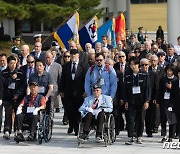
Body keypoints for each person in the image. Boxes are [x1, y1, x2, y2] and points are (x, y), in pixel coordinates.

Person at [59, 49, 89, 136]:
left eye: (74, 54)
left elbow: (86, 79)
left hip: (79, 93)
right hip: (68, 92)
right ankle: (71, 125)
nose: (73, 56)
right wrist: (61, 90)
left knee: (77, 111)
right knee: (69, 111)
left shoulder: (84, 65)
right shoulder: (66, 66)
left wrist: (85, 91)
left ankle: (76, 128)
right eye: (71, 55)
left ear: (78, 55)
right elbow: (62, 79)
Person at [124, 57, 151, 145]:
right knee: (130, 119)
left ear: (138, 65)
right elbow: (125, 90)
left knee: (140, 119)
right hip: (131, 100)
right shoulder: (128, 75)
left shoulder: (144, 75)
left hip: (141, 100)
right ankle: (131, 136)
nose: (133, 66)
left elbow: (147, 88)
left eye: (135, 64)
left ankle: (139, 136)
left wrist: (147, 101)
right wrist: (126, 101)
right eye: (131, 65)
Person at [2, 55, 26, 139]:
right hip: (7, 96)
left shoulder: (20, 73)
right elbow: (3, 84)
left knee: (17, 113)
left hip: (17, 97)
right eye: (11, 63)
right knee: (8, 114)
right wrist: (10, 78)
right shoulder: (4, 73)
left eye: (14, 63)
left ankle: (17, 130)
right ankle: (7, 130)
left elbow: (23, 85)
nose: (13, 65)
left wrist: (18, 94)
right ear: (8, 64)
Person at [157, 64, 177, 142]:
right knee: (163, 119)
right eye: (168, 70)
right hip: (163, 101)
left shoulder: (176, 80)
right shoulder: (163, 79)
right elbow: (160, 91)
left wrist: (171, 88)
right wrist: (158, 101)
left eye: (171, 71)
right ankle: (164, 135)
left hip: (173, 102)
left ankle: (171, 136)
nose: (169, 72)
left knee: (172, 120)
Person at [45, 51, 62, 116]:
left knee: (51, 107)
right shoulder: (42, 66)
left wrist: (60, 90)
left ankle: (50, 121)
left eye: (49, 57)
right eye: (46, 57)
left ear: (52, 57)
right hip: (44, 90)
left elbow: (60, 79)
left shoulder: (57, 66)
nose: (47, 59)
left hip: (53, 90)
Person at [170, 68, 180, 142]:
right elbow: (172, 95)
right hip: (176, 104)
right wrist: (170, 105)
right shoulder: (175, 82)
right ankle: (175, 134)